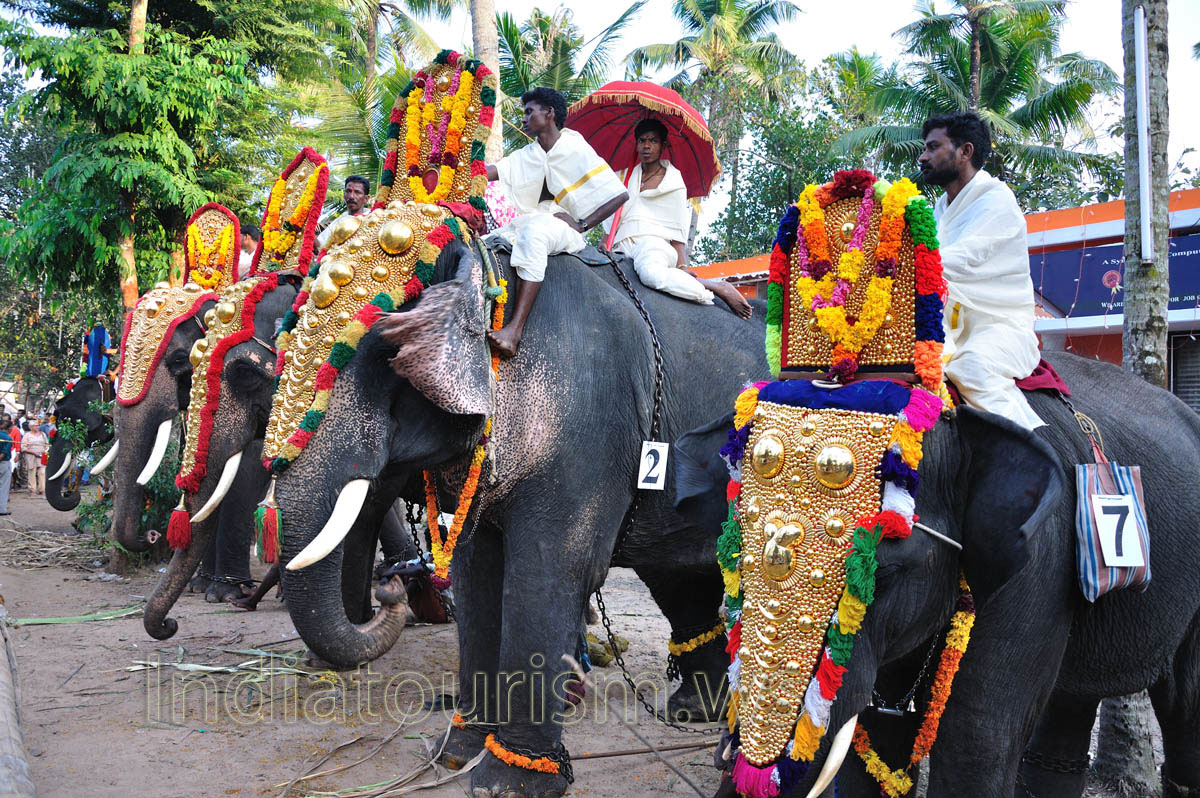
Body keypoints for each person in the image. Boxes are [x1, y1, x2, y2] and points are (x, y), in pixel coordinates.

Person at [918, 111, 1043, 430]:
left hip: (1001, 327)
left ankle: (1031, 461)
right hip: (949, 325)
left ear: (965, 152)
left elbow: (962, 258)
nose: (923, 156)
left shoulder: (996, 199)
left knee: (972, 369)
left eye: (933, 147)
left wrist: (900, 264)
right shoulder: (941, 209)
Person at [485, 88, 629, 357]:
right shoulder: (528, 153)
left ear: (549, 113)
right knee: (486, 243)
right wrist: (453, 168)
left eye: (530, 112)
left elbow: (620, 193)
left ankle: (514, 331)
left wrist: (582, 224)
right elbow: (492, 172)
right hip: (529, 221)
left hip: (561, 228)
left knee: (535, 233)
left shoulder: (575, 147)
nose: (524, 118)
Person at [604, 118, 752, 319]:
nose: (646, 146)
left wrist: (683, 268)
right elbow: (609, 222)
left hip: (653, 246)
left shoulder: (673, 182)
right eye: (642, 140)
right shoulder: (623, 177)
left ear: (663, 146)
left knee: (651, 275)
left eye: (653, 141)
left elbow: (677, 235)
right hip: (621, 248)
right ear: (636, 144)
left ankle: (714, 286)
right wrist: (604, 246)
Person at [317, 176, 371, 250]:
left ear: (366, 198)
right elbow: (320, 245)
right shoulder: (339, 220)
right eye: (348, 191)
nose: (351, 196)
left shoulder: (372, 218)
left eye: (357, 192)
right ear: (344, 195)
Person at [21, 422, 48, 495]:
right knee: (32, 472)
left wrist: (45, 451)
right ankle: (32, 490)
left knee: (42, 472)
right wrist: (33, 453)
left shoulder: (43, 434)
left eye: (38, 425)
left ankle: (42, 489)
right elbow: (23, 447)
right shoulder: (27, 435)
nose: (37, 427)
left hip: (42, 456)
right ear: (31, 427)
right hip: (31, 456)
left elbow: (47, 445)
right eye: (35, 426)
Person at [0, 420, 11, 515]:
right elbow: (4, 453)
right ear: (9, 428)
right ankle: (1, 509)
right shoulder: (7, 438)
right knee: (3, 487)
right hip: (3, 463)